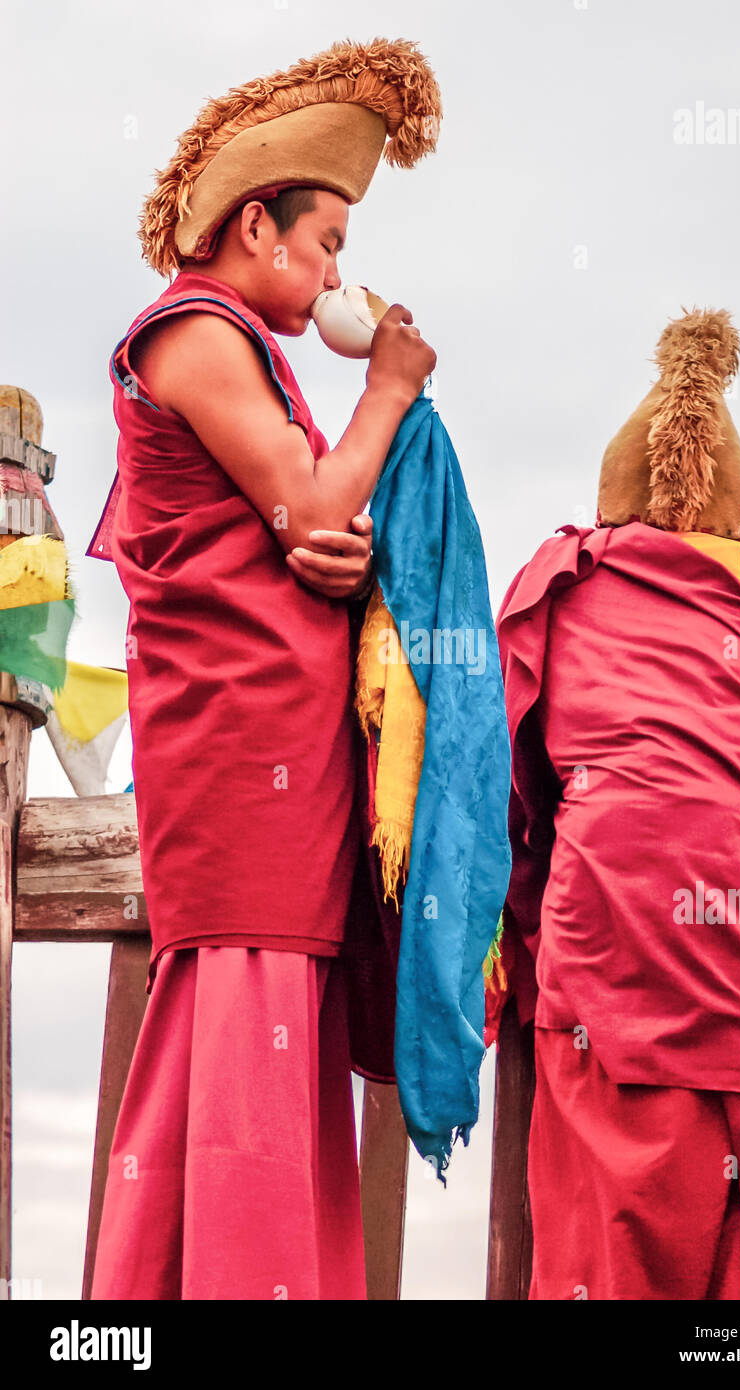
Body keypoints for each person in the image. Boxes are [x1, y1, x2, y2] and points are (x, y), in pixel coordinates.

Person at [87, 37, 440, 1300]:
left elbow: (323, 533)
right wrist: (387, 392)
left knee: (273, 1045)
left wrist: (328, 527)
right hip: (241, 765)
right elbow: (310, 520)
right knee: (239, 1046)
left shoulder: (250, 345)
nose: (338, 268)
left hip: (284, 773)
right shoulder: (193, 332)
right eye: (329, 238)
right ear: (257, 224)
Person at [489, 308, 740, 1301]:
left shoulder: (564, 579)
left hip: (606, 923)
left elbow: (519, 766)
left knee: (601, 1228)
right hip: (737, 932)